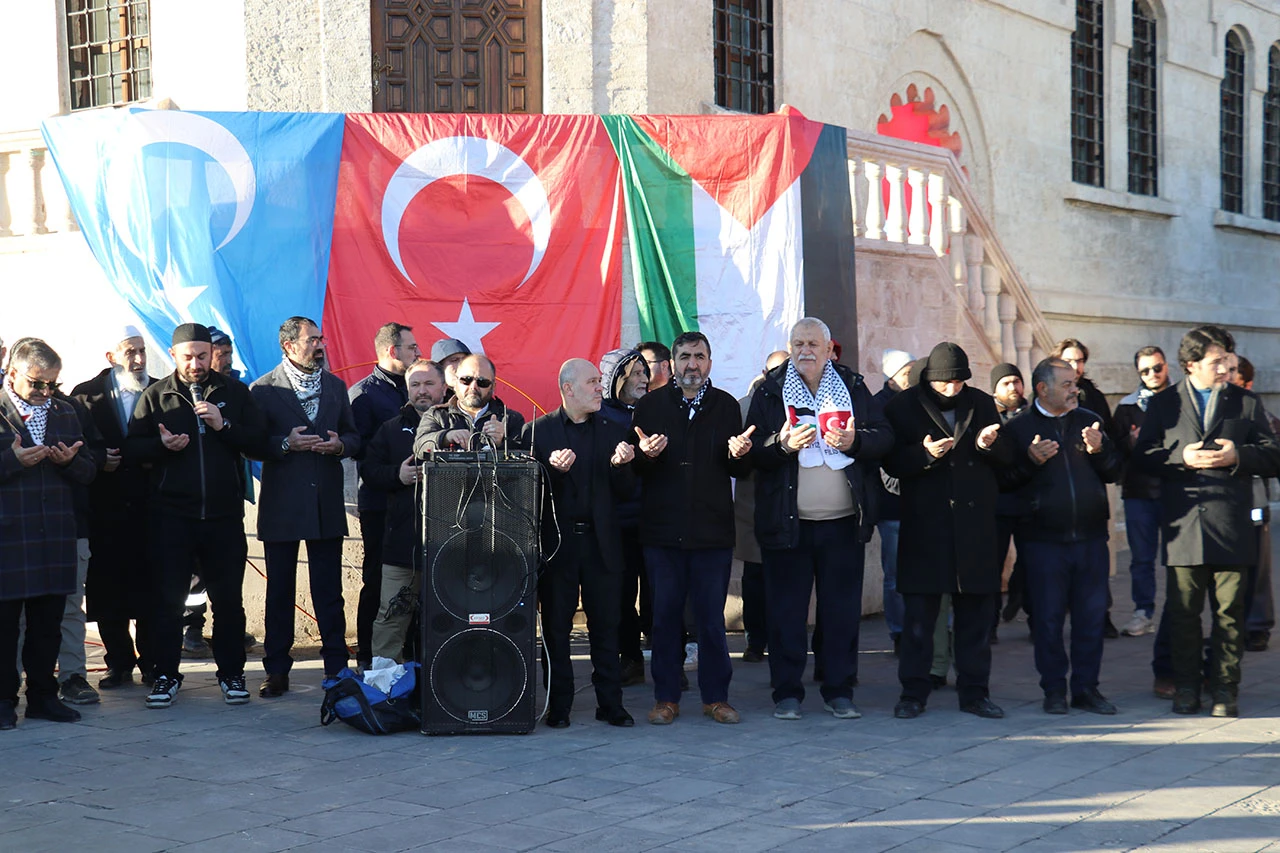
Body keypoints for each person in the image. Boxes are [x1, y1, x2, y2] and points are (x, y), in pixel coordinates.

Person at [746, 319, 892, 720]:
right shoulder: (770, 391)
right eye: (798, 343)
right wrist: (781, 444)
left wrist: (855, 441)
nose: (805, 350)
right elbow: (751, 451)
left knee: (841, 612)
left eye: (813, 343)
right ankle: (787, 693)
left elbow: (884, 436)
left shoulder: (854, 386)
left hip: (843, 523)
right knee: (786, 613)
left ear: (830, 349)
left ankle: (839, 690)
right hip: (787, 524)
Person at [1135, 325, 1280, 717]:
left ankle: (1225, 690)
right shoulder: (1164, 405)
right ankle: (1186, 688)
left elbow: (1273, 454)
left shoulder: (1247, 402)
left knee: (1229, 615)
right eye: (1217, 362)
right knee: (1183, 614)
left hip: (1232, 525)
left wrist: (1240, 456)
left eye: (1228, 362)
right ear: (1190, 365)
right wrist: (1181, 457)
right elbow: (1143, 455)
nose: (1224, 369)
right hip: (1184, 528)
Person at [127, 323, 265, 709]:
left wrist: (225, 426)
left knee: (228, 602)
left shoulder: (233, 393)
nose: (196, 364)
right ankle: (166, 674)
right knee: (168, 603)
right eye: (188, 356)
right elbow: (133, 450)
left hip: (222, 517)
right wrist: (161, 445)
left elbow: (259, 442)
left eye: (202, 356)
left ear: (211, 354)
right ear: (173, 356)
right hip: (172, 517)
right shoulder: (156, 396)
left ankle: (232, 674)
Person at [883, 342, 1013, 719]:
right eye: (945, 384)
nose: (952, 389)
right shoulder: (903, 407)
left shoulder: (982, 403)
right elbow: (890, 463)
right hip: (927, 527)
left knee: (974, 618)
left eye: (958, 383)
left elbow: (1007, 456)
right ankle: (913, 693)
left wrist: (989, 444)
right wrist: (925, 455)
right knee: (919, 619)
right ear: (930, 380)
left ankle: (975, 692)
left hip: (974, 529)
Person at [631, 332, 753, 725]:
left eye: (699, 357)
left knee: (711, 620)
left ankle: (716, 697)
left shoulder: (726, 406)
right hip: (662, 533)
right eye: (684, 357)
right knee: (664, 618)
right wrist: (645, 458)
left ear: (710, 364)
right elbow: (635, 471)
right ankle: (666, 697)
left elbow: (737, 468)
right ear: (671, 364)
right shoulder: (649, 406)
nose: (692, 364)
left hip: (711, 533)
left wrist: (739, 456)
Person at [1002, 357, 1122, 714]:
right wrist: (1029, 462)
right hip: (1042, 542)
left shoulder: (1090, 421)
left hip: (1090, 539)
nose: (1075, 390)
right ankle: (1054, 690)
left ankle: (1087, 689)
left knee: (1090, 618)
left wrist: (1100, 450)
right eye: (1067, 384)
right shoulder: (1018, 429)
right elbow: (1004, 484)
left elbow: (1115, 471)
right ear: (1043, 388)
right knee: (1048, 620)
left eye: (1075, 383)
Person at [523, 359, 638, 728]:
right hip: (559, 548)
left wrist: (623, 466)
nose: (599, 387)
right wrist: (550, 472)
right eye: (592, 381)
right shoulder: (536, 433)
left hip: (602, 544)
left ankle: (611, 703)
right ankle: (559, 706)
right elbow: (523, 497)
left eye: (599, 381)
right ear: (568, 389)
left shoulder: (614, 430)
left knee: (607, 626)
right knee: (556, 629)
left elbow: (627, 492)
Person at [251, 316, 360, 697]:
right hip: (283, 505)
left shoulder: (335, 386)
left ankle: (336, 668)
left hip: (325, 503)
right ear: (288, 346)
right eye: (311, 339)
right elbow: (252, 444)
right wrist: (285, 444)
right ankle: (277, 670)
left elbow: (353, 435)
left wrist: (340, 446)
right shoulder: (263, 389)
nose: (320, 345)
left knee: (328, 590)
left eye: (321, 338)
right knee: (280, 590)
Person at [0, 339, 96, 729]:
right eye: (36, 384)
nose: (44, 393)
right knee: (5, 627)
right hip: (9, 536)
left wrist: (71, 462)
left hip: (55, 534)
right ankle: (4, 700)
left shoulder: (66, 412)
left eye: (51, 385)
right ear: (11, 374)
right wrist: (11, 461)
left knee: (48, 623)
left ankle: (43, 696)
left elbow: (90, 471)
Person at [70, 327, 158, 694]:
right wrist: (99, 459)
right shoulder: (84, 396)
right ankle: (119, 662)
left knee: (153, 590)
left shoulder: (160, 389)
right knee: (108, 592)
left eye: (141, 351)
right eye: (129, 352)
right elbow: (76, 447)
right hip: (105, 511)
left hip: (151, 509)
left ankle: (154, 663)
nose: (138, 360)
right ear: (111, 357)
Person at [361, 359, 446, 662]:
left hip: (452, 550)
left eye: (429, 384)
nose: (422, 391)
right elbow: (369, 472)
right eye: (415, 385)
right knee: (391, 618)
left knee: (448, 622)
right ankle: (385, 691)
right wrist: (397, 476)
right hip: (402, 547)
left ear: (444, 386)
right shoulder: (391, 429)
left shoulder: (462, 428)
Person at [349, 322, 419, 668]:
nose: (417, 354)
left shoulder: (413, 390)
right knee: (378, 581)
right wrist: (396, 473)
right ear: (392, 351)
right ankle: (369, 657)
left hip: (418, 507)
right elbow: (361, 454)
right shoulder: (364, 395)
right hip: (380, 506)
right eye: (412, 348)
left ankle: (411, 654)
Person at [598, 347, 651, 684]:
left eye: (645, 372)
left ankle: (670, 662)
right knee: (620, 597)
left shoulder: (657, 411)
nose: (642, 379)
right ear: (613, 379)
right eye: (634, 373)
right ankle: (630, 658)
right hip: (618, 523)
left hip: (656, 520)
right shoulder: (599, 416)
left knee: (661, 596)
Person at [734, 349, 790, 663]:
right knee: (755, 579)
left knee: (786, 578)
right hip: (752, 503)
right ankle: (756, 640)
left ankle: (781, 639)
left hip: (790, 503)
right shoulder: (744, 406)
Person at [1113, 346, 1169, 638]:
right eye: (1145, 370)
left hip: (1174, 492)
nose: (1152, 375)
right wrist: (1130, 444)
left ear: (1167, 366)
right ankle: (1143, 612)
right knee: (1141, 558)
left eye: (1157, 368)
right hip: (1138, 492)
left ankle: (1178, 613)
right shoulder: (1127, 407)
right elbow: (1114, 450)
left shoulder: (1181, 401)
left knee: (1180, 559)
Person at [1232, 355, 1276, 652]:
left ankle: (1257, 625)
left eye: (1233, 375)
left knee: (1257, 565)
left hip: (1254, 501)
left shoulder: (1259, 413)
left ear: (1247, 382)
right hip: (1224, 504)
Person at [415, 354, 527, 453]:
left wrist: (502, 442)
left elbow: (526, 460)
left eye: (482, 382)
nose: (473, 387)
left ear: (493, 387)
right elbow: (419, 447)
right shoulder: (437, 415)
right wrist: (446, 437)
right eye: (466, 380)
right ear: (456, 382)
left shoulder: (511, 419)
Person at [990, 362, 1030, 636]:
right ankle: (988, 624)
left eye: (1016, 381)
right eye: (1005, 383)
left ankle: (1020, 598)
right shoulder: (987, 417)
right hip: (997, 502)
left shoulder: (1033, 416)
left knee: (1030, 562)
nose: (1013, 387)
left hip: (1028, 500)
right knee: (992, 565)